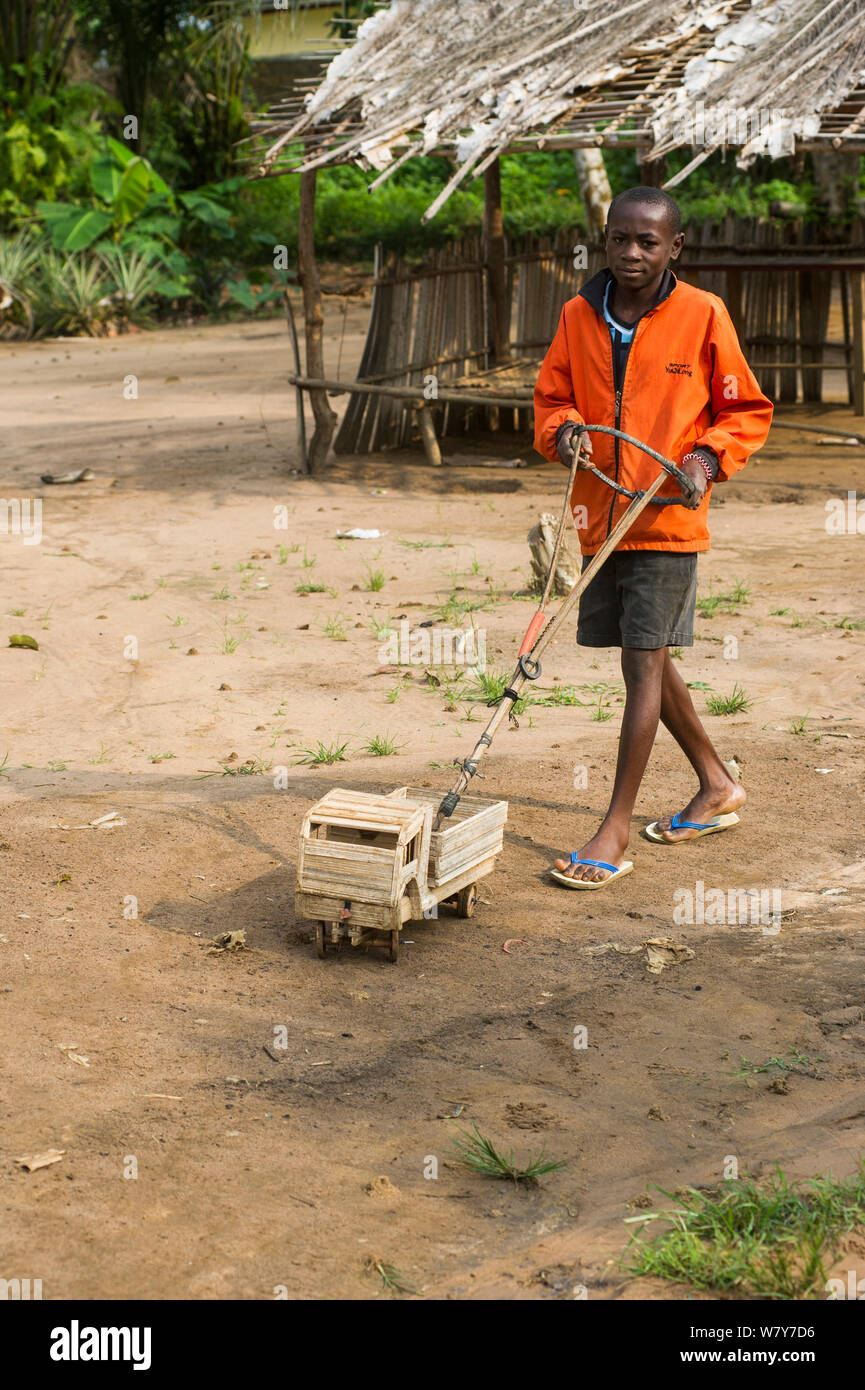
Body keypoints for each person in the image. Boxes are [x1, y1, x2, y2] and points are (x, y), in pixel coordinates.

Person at [533, 185, 773, 889]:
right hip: (599, 521)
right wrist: (566, 433)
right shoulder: (578, 314)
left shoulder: (703, 314)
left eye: (647, 242)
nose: (631, 253)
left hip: (667, 516)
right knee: (650, 658)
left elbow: (744, 408)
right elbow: (552, 402)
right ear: (604, 242)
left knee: (640, 666)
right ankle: (716, 783)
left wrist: (704, 458)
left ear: (674, 248)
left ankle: (611, 830)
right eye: (619, 239)